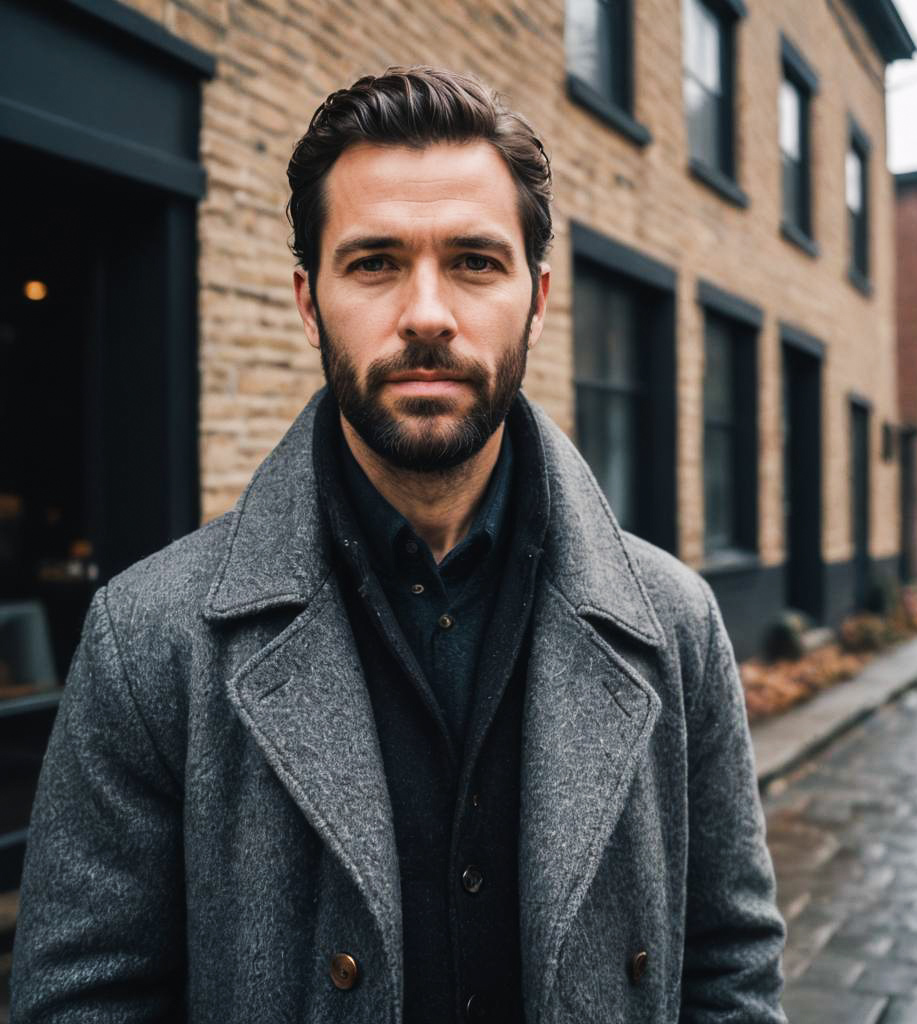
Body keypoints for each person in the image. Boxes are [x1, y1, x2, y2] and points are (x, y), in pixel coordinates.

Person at [11, 67, 786, 1023]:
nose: (426, 313)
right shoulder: (148, 640)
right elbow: (82, 1001)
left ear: (538, 301)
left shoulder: (675, 623)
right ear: (309, 302)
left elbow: (730, 965)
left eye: (475, 261)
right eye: (375, 262)